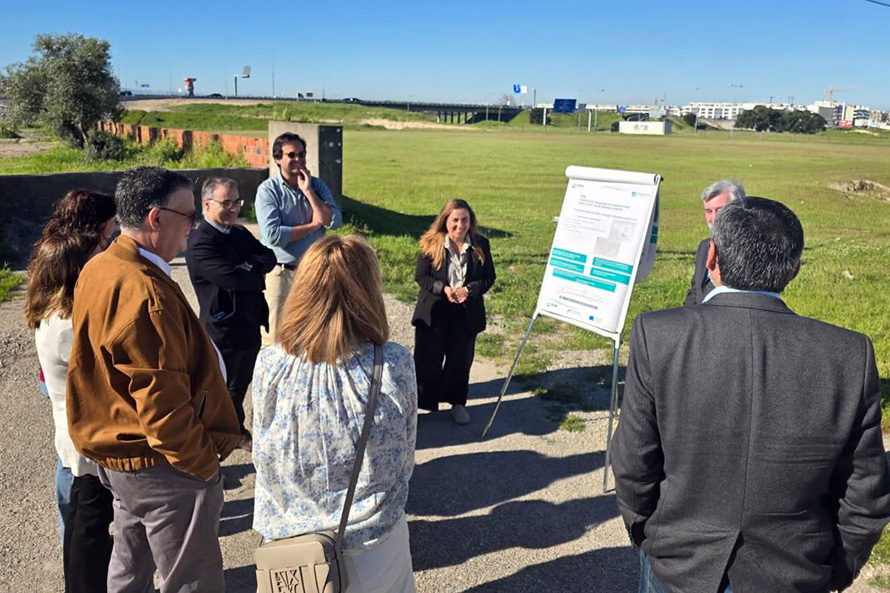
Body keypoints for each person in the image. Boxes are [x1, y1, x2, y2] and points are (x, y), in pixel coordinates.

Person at [612, 197, 890, 593]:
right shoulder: (847, 355)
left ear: (711, 259)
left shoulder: (660, 335)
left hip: (678, 566)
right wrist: (833, 572)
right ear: (794, 269)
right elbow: (865, 493)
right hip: (792, 573)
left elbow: (633, 463)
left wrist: (649, 535)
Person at [66, 166, 242, 593]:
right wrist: (203, 468)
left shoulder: (102, 265)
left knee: (129, 568)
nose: (193, 226)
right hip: (161, 464)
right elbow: (162, 407)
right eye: (187, 215)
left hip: (125, 455)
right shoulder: (143, 290)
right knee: (192, 580)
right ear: (155, 218)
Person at [252, 235, 417, 593]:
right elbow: (404, 459)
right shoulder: (391, 364)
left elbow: (261, 452)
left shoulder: (270, 363)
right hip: (372, 543)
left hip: (291, 546)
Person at [27, 188, 116, 543]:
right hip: (85, 433)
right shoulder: (69, 324)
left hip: (64, 398)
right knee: (85, 507)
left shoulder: (53, 262)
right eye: (109, 231)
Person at [186, 177, 277, 452]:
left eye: (237, 202)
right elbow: (232, 280)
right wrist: (252, 269)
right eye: (227, 203)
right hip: (222, 331)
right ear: (207, 204)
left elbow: (269, 258)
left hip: (248, 325)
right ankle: (208, 450)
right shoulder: (201, 242)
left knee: (240, 384)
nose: (234, 208)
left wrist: (247, 266)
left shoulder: (238, 234)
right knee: (217, 394)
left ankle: (235, 431)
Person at [255, 132, 343, 346]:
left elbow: (334, 221)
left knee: (313, 333)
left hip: (314, 271)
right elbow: (274, 235)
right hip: (282, 273)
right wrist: (313, 226)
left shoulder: (317, 186)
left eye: (301, 154)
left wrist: (309, 192)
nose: (298, 160)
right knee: (276, 336)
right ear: (278, 159)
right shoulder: (268, 191)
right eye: (291, 155)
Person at [411, 199, 495, 424]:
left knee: (460, 361)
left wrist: (470, 290)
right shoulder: (431, 244)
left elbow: (489, 277)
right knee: (427, 360)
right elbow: (421, 277)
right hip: (435, 312)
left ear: (471, 221)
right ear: (445, 221)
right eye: (455, 220)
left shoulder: (481, 245)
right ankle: (420, 406)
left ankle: (457, 403)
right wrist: (443, 288)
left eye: (465, 220)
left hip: (466, 313)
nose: (460, 225)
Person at [684, 179, 745, 306]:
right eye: (708, 211)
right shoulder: (705, 247)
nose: (714, 218)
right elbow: (696, 291)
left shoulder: (749, 249)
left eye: (720, 209)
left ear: (739, 209)